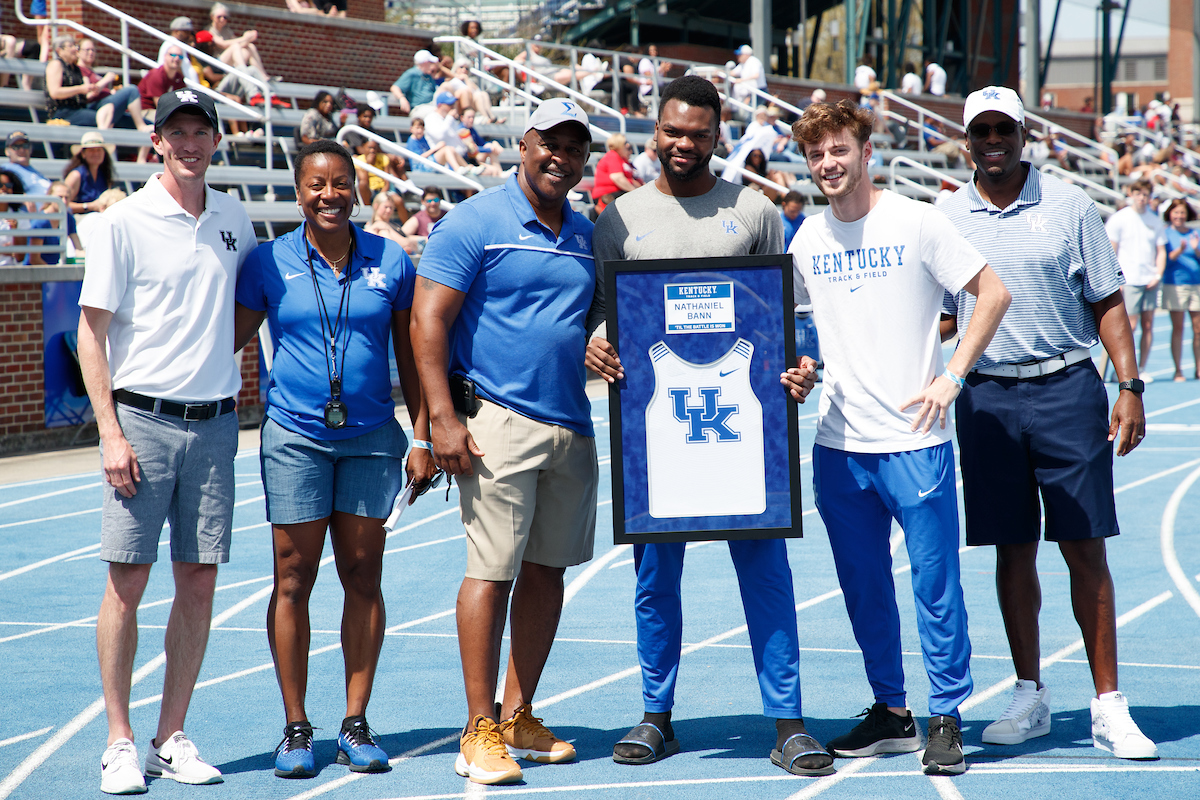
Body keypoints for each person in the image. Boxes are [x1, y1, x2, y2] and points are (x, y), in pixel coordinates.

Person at [583, 75, 832, 779]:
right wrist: (594, 344)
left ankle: (788, 722)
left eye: (697, 133)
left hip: (741, 432)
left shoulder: (754, 211)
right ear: (654, 131)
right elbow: (603, 312)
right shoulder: (619, 218)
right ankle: (655, 714)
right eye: (672, 131)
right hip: (656, 431)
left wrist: (798, 368)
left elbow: (779, 318)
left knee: (767, 574)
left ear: (718, 135)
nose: (683, 144)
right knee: (655, 579)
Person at [783, 98, 1011, 778]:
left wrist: (953, 376)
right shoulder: (806, 239)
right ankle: (892, 712)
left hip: (916, 441)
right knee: (863, 589)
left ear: (865, 151)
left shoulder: (917, 221)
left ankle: (946, 717)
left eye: (838, 150)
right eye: (816, 154)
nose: (828, 163)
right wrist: (801, 366)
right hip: (838, 446)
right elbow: (793, 325)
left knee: (936, 588)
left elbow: (992, 293)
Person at [940, 85, 1157, 761]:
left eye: (1003, 129)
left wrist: (1130, 386)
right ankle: (1029, 694)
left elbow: (1108, 302)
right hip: (986, 397)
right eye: (981, 131)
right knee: (1011, 550)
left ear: (1024, 135)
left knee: (1084, 546)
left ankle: (1109, 706)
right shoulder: (944, 215)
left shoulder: (1071, 205)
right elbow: (940, 314)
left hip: (1067, 388)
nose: (993, 141)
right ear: (966, 141)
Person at [232, 139, 434, 780]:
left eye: (341, 182)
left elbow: (412, 356)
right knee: (292, 579)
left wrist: (423, 435)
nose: (329, 194)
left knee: (363, 576)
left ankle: (355, 721)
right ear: (298, 193)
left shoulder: (390, 259)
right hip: (294, 437)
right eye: (316, 184)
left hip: (372, 438)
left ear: (357, 189)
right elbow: (223, 341)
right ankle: (296, 725)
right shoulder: (268, 261)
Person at [410, 98, 597, 786]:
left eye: (574, 148)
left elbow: (592, 321)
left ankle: (517, 715)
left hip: (571, 425)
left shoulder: (586, 234)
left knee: (548, 571)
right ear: (524, 144)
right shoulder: (473, 222)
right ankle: (477, 728)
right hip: (496, 422)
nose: (560, 157)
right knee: (491, 572)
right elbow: (427, 322)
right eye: (550, 143)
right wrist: (440, 420)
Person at [77, 88, 255, 796]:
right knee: (127, 581)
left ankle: (168, 737)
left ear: (216, 141)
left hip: (214, 425)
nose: (188, 144)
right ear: (156, 141)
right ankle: (119, 741)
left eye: (199, 132)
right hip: (141, 424)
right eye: (175, 132)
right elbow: (92, 334)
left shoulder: (234, 216)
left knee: (199, 581)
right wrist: (110, 432)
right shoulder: (123, 222)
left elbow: (243, 307)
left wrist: (215, 365)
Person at [1106, 180, 1166, 375]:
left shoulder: (1155, 221)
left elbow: (1161, 251)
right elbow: (1111, 251)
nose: (1142, 198)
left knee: (1148, 325)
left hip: (1149, 280)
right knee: (1129, 326)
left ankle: (1141, 368)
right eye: (1138, 193)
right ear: (1131, 194)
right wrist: (1115, 279)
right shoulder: (1119, 218)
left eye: (1145, 194)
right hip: (1128, 280)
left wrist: (1157, 275)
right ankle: (1123, 370)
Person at [1161, 198, 1200, 380]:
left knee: (1198, 328)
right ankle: (1178, 370)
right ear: (1170, 214)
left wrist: (1195, 249)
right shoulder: (1166, 234)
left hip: (1196, 284)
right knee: (1178, 328)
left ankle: (1198, 368)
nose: (1179, 216)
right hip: (1175, 284)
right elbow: (1164, 260)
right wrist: (1180, 250)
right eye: (1176, 212)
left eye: (1182, 212)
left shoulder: (1195, 233)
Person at [78, 38, 151, 131]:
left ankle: (143, 125)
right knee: (132, 90)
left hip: (107, 106)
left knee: (149, 124)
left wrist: (111, 92)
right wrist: (106, 80)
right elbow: (88, 95)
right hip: (97, 108)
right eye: (87, 50)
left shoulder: (91, 71)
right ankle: (141, 126)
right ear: (78, 52)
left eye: (93, 50)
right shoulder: (79, 70)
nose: (91, 53)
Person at [27, 180, 83, 264]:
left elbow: (78, 248)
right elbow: (34, 259)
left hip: (56, 268)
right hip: (38, 270)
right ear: (50, 197)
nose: (64, 201)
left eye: (67, 197)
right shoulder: (40, 222)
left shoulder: (69, 219)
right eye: (60, 197)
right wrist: (54, 271)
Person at [208, 3, 269, 77]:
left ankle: (264, 76)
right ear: (212, 16)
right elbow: (223, 44)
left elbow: (238, 43)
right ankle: (244, 74)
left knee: (250, 46)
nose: (222, 19)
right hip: (217, 63)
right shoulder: (209, 30)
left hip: (229, 62)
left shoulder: (227, 30)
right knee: (235, 46)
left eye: (225, 17)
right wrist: (244, 38)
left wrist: (248, 40)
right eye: (219, 17)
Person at [63, 132, 114, 215]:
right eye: (91, 150)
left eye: (99, 150)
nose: (96, 153)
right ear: (83, 154)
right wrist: (88, 206)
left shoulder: (104, 175)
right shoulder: (76, 175)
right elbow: (62, 204)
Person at [591, 132, 641, 213]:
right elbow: (617, 178)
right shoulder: (613, 156)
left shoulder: (622, 159)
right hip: (608, 195)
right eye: (625, 143)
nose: (628, 145)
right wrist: (635, 192)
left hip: (618, 194)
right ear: (619, 145)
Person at [138, 46, 187, 118]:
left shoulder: (179, 78)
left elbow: (182, 100)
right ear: (165, 56)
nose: (177, 58)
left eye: (180, 56)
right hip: (144, 112)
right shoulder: (156, 75)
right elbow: (160, 104)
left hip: (162, 112)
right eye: (173, 55)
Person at [391, 50, 439, 118]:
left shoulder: (428, 76)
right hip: (418, 109)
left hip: (431, 106)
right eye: (430, 62)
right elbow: (394, 88)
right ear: (425, 63)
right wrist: (402, 98)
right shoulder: (412, 73)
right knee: (436, 113)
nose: (431, 65)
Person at [2, 131, 51, 195]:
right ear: (7, 151)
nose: (22, 150)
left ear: (30, 149)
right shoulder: (5, 170)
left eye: (25, 146)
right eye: (16, 146)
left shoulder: (35, 172)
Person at [156, 17, 201, 85]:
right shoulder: (171, 45)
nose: (188, 35)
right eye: (186, 32)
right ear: (176, 31)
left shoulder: (178, 44)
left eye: (189, 32)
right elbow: (172, 67)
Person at [0, 169, 26, 266]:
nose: (4, 189)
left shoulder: (20, 216)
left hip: (11, 269)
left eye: (8, 185)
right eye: (0, 185)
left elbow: (20, 257)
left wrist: (14, 230)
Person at [729, 44, 766, 110]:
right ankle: (734, 109)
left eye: (740, 55)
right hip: (750, 91)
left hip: (759, 90)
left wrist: (741, 80)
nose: (738, 57)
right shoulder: (743, 63)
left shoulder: (754, 61)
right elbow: (733, 73)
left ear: (746, 54)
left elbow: (756, 75)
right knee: (748, 110)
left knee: (751, 111)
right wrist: (720, 71)